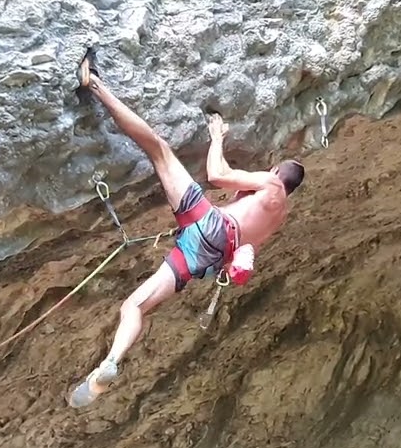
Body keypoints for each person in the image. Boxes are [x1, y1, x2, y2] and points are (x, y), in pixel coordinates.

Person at [69, 50, 305, 408]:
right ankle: (110, 361)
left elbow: (216, 175)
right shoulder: (278, 216)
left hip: (209, 224)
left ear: (276, 174)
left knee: (159, 150)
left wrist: (217, 137)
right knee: (135, 305)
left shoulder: (271, 184)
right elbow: (241, 252)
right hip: (208, 256)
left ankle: (94, 84)